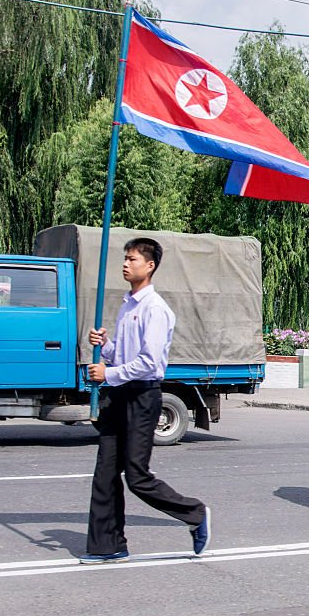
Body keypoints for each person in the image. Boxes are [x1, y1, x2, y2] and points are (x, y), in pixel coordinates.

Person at [80, 238, 209, 564]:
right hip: (120, 394)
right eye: (124, 258)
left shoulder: (156, 309)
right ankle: (108, 545)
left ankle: (194, 513)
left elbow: (150, 363)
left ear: (149, 266)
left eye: (133, 259)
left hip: (143, 396)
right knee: (105, 473)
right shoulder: (128, 305)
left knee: (136, 476)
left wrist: (106, 373)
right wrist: (106, 346)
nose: (126, 264)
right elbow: (126, 356)